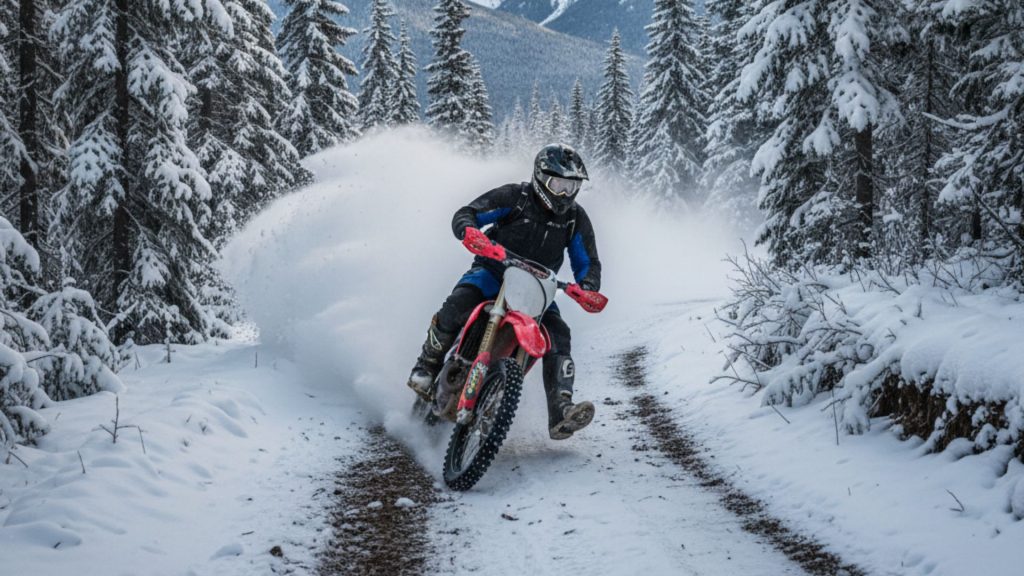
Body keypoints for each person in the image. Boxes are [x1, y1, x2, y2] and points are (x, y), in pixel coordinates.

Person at [407, 143, 603, 440]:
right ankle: (426, 366)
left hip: (539, 288)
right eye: (558, 185)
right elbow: (468, 213)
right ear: (540, 178)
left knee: (559, 333)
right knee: (458, 304)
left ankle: (561, 410)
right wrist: (470, 231)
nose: (564, 194)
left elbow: (588, 262)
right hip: (493, 272)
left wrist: (587, 286)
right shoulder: (516, 197)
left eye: (571, 186)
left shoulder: (575, 219)